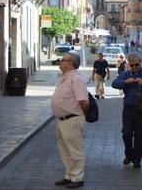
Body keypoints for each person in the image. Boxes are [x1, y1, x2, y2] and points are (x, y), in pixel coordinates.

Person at [111, 53, 142, 168]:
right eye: (131, 65)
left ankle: (137, 158)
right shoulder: (126, 74)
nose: (134, 67)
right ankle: (128, 154)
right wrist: (125, 82)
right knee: (126, 134)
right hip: (129, 108)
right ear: (128, 64)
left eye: (136, 65)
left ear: (140, 62)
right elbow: (114, 83)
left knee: (140, 135)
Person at [52, 52, 89, 189]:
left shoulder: (76, 78)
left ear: (70, 63)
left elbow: (84, 101)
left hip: (72, 119)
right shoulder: (64, 77)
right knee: (65, 150)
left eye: (63, 60)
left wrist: (81, 115)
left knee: (75, 150)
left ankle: (77, 177)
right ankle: (69, 175)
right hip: (62, 120)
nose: (60, 62)